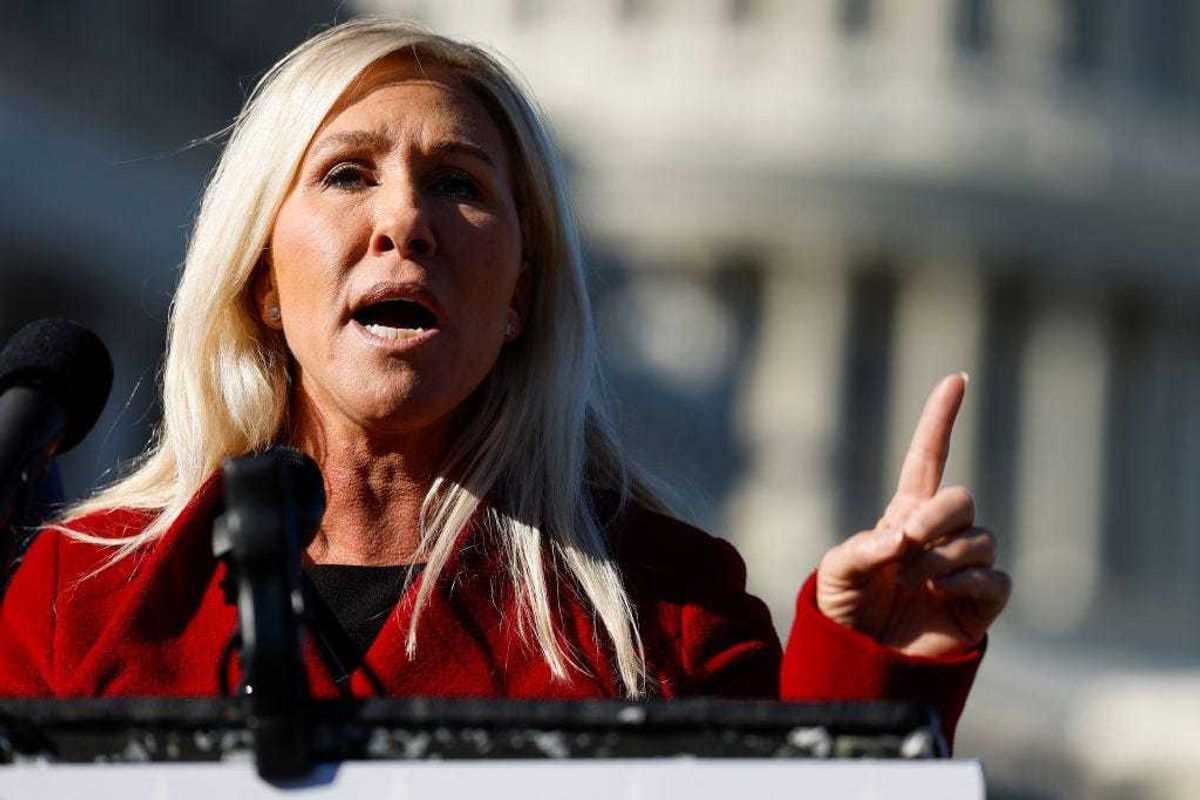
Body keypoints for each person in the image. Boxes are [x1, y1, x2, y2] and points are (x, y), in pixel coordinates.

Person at [0, 19, 1008, 747]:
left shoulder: (668, 608)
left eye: (459, 185)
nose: (405, 222)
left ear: (521, 294)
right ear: (264, 278)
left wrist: (875, 673)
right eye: (348, 175)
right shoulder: (78, 596)